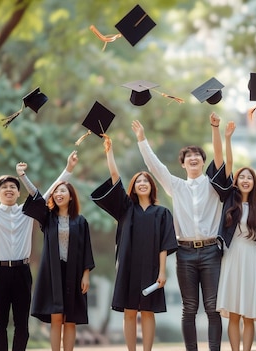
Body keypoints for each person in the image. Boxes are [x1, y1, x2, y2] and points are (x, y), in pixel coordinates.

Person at [0, 135, 77, 351]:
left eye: (13, 187)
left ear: (18, 193)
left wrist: (68, 169)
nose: (9, 189)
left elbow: (49, 193)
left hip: (22, 272)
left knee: (21, 325)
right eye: (4, 187)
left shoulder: (27, 212)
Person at [132, 114, 226, 351]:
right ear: (183, 164)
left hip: (211, 252)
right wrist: (142, 139)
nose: (193, 158)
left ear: (203, 162)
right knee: (190, 307)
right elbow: (155, 166)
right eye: (188, 157)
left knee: (213, 306)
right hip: (185, 253)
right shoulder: (176, 186)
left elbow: (220, 158)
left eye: (197, 156)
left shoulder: (213, 185)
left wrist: (215, 128)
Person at [90, 134, 178, 351]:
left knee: (147, 312)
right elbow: (114, 177)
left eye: (145, 181)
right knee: (130, 311)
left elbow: (165, 244)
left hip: (151, 267)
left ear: (151, 186)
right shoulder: (126, 209)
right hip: (128, 266)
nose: (142, 184)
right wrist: (109, 152)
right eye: (138, 181)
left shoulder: (162, 213)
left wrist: (162, 272)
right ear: (134, 187)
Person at [18, 168, 94, 351]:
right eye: (56, 191)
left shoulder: (81, 221)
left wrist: (86, 275)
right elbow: (35, 197)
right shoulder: (47, 218)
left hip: (74, 272)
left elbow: (86, 250)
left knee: (71, 319)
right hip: (53, 272)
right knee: (56, 316)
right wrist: (23, 177)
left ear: (70, 197)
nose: (59, 194)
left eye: (63, 191)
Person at [212, 121, 256, 351]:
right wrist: (228, 137)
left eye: (249, 178)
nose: (245, 180)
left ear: (254, 183)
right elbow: (228, 164)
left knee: (249, 313)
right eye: (242, 177)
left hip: (252, 256)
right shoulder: (230, 200)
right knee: (233, 312)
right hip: (232, 255)